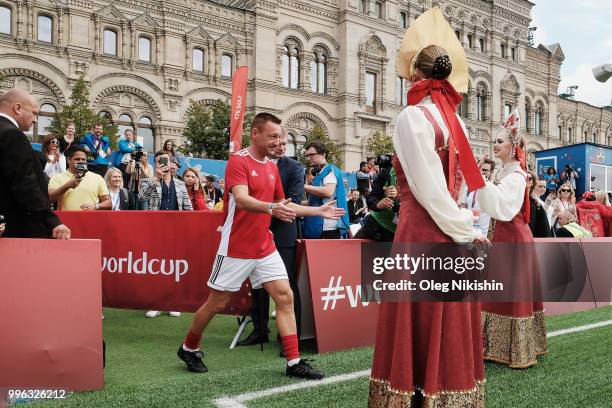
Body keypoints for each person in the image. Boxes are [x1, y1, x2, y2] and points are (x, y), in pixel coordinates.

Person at [369, 9, 487, 406]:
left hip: (424, 233)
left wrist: (464, 229)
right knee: (448, 319)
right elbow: (455, 187)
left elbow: (427, 191)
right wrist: (466, 228)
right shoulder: (457, 121)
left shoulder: (411, 117)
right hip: (451, 232)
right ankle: (448, 393)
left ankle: (414, 393)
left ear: (415, 74)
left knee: (419, 318)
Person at [177, 113, 344, 379]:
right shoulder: (238, 161)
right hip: (236, 246)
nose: (278, 142)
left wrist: (317, 212)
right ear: (255, 133)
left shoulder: (271, 166)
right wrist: (272, 208)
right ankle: (189, 346)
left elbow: (283, 203)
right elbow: (242, 200)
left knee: (285, 296)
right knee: (217, 303)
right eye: (274, 136)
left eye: (281, 137)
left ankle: (293, 362)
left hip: (264, 246)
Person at [476, 109, 547, 368]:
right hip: (504, 237)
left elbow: (502, 208)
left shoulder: (516, 177)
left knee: (511, 291)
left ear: (513, 146)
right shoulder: (505, 173)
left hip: (513, 240)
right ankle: (496, 347)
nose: (495, 144)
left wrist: (480, 182)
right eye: (494, 140)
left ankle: (517, 351)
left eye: (500, 141)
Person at [237, 127, 305, 349]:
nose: (279, 146)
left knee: (287, 286)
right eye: (275, 141)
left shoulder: (294, 167)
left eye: (283, 142)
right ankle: (259, 330)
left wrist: (270, 210)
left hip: (282, 231)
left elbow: (292, 200)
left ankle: (289, 339)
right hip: (255, 232)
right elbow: (244, 198)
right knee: (257, 285)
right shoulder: (251, 163)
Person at [0, 88, 70, 239]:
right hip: (17, 230)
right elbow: (24, 183)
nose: (35, 120)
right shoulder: (12, 135)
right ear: (18, 108)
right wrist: (51, 220)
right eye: (34, 113)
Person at [139, 151, 192, 318]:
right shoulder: (150, 181)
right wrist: (155, 179)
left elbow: (188, 208)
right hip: (156, 230)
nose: (161, 163)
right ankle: (156, 303)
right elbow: (141, 197)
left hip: (177, 231)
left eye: (165, 161)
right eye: (158, 161)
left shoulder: (181, 184)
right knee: (157, 267)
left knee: (174, 267)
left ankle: (172, 302)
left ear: (171, 163)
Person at [302, 141, 350, 239]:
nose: (309, 158)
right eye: (307, 155)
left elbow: (328, 192)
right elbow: (314, 202)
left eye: (312, 154)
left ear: (323, 154)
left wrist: (303, 186)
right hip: (321, 224)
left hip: (327, 226)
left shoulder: (329, 171)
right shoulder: (321, 173)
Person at [48, 146, 112, 211]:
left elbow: (109, 203)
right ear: (68, 160)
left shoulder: (97, 178)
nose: (81, 161)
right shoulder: (57, 177)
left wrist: (96, 206)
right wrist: (66, 186)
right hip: (66, 219)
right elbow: (50, 198)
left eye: (83, 159)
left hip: (90, 219)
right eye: (77, 159)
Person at [355, 155, 398, 242]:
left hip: (397, 233)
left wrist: (398, 199)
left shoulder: (422, 177)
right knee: (352, 252)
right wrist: (379, 204)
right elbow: (371, 198)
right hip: (375, 224)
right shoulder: (387, 172)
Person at [459, 157, 495, 235]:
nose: (482, 172)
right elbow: (462, 206)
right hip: (468, 231)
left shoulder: (493, 189)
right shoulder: (468, 187)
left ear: (491, 172)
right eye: (480, 169)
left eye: (485, 170)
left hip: (482, 234)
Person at [528, 172, 552, 237]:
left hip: (547, 231)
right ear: (533, 186)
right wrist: (546, 205)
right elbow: (536, 216)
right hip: (538, 233)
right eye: (540, 186)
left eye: (544, 187)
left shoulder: (540, 200)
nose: (543, 189)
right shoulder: (532, 200)